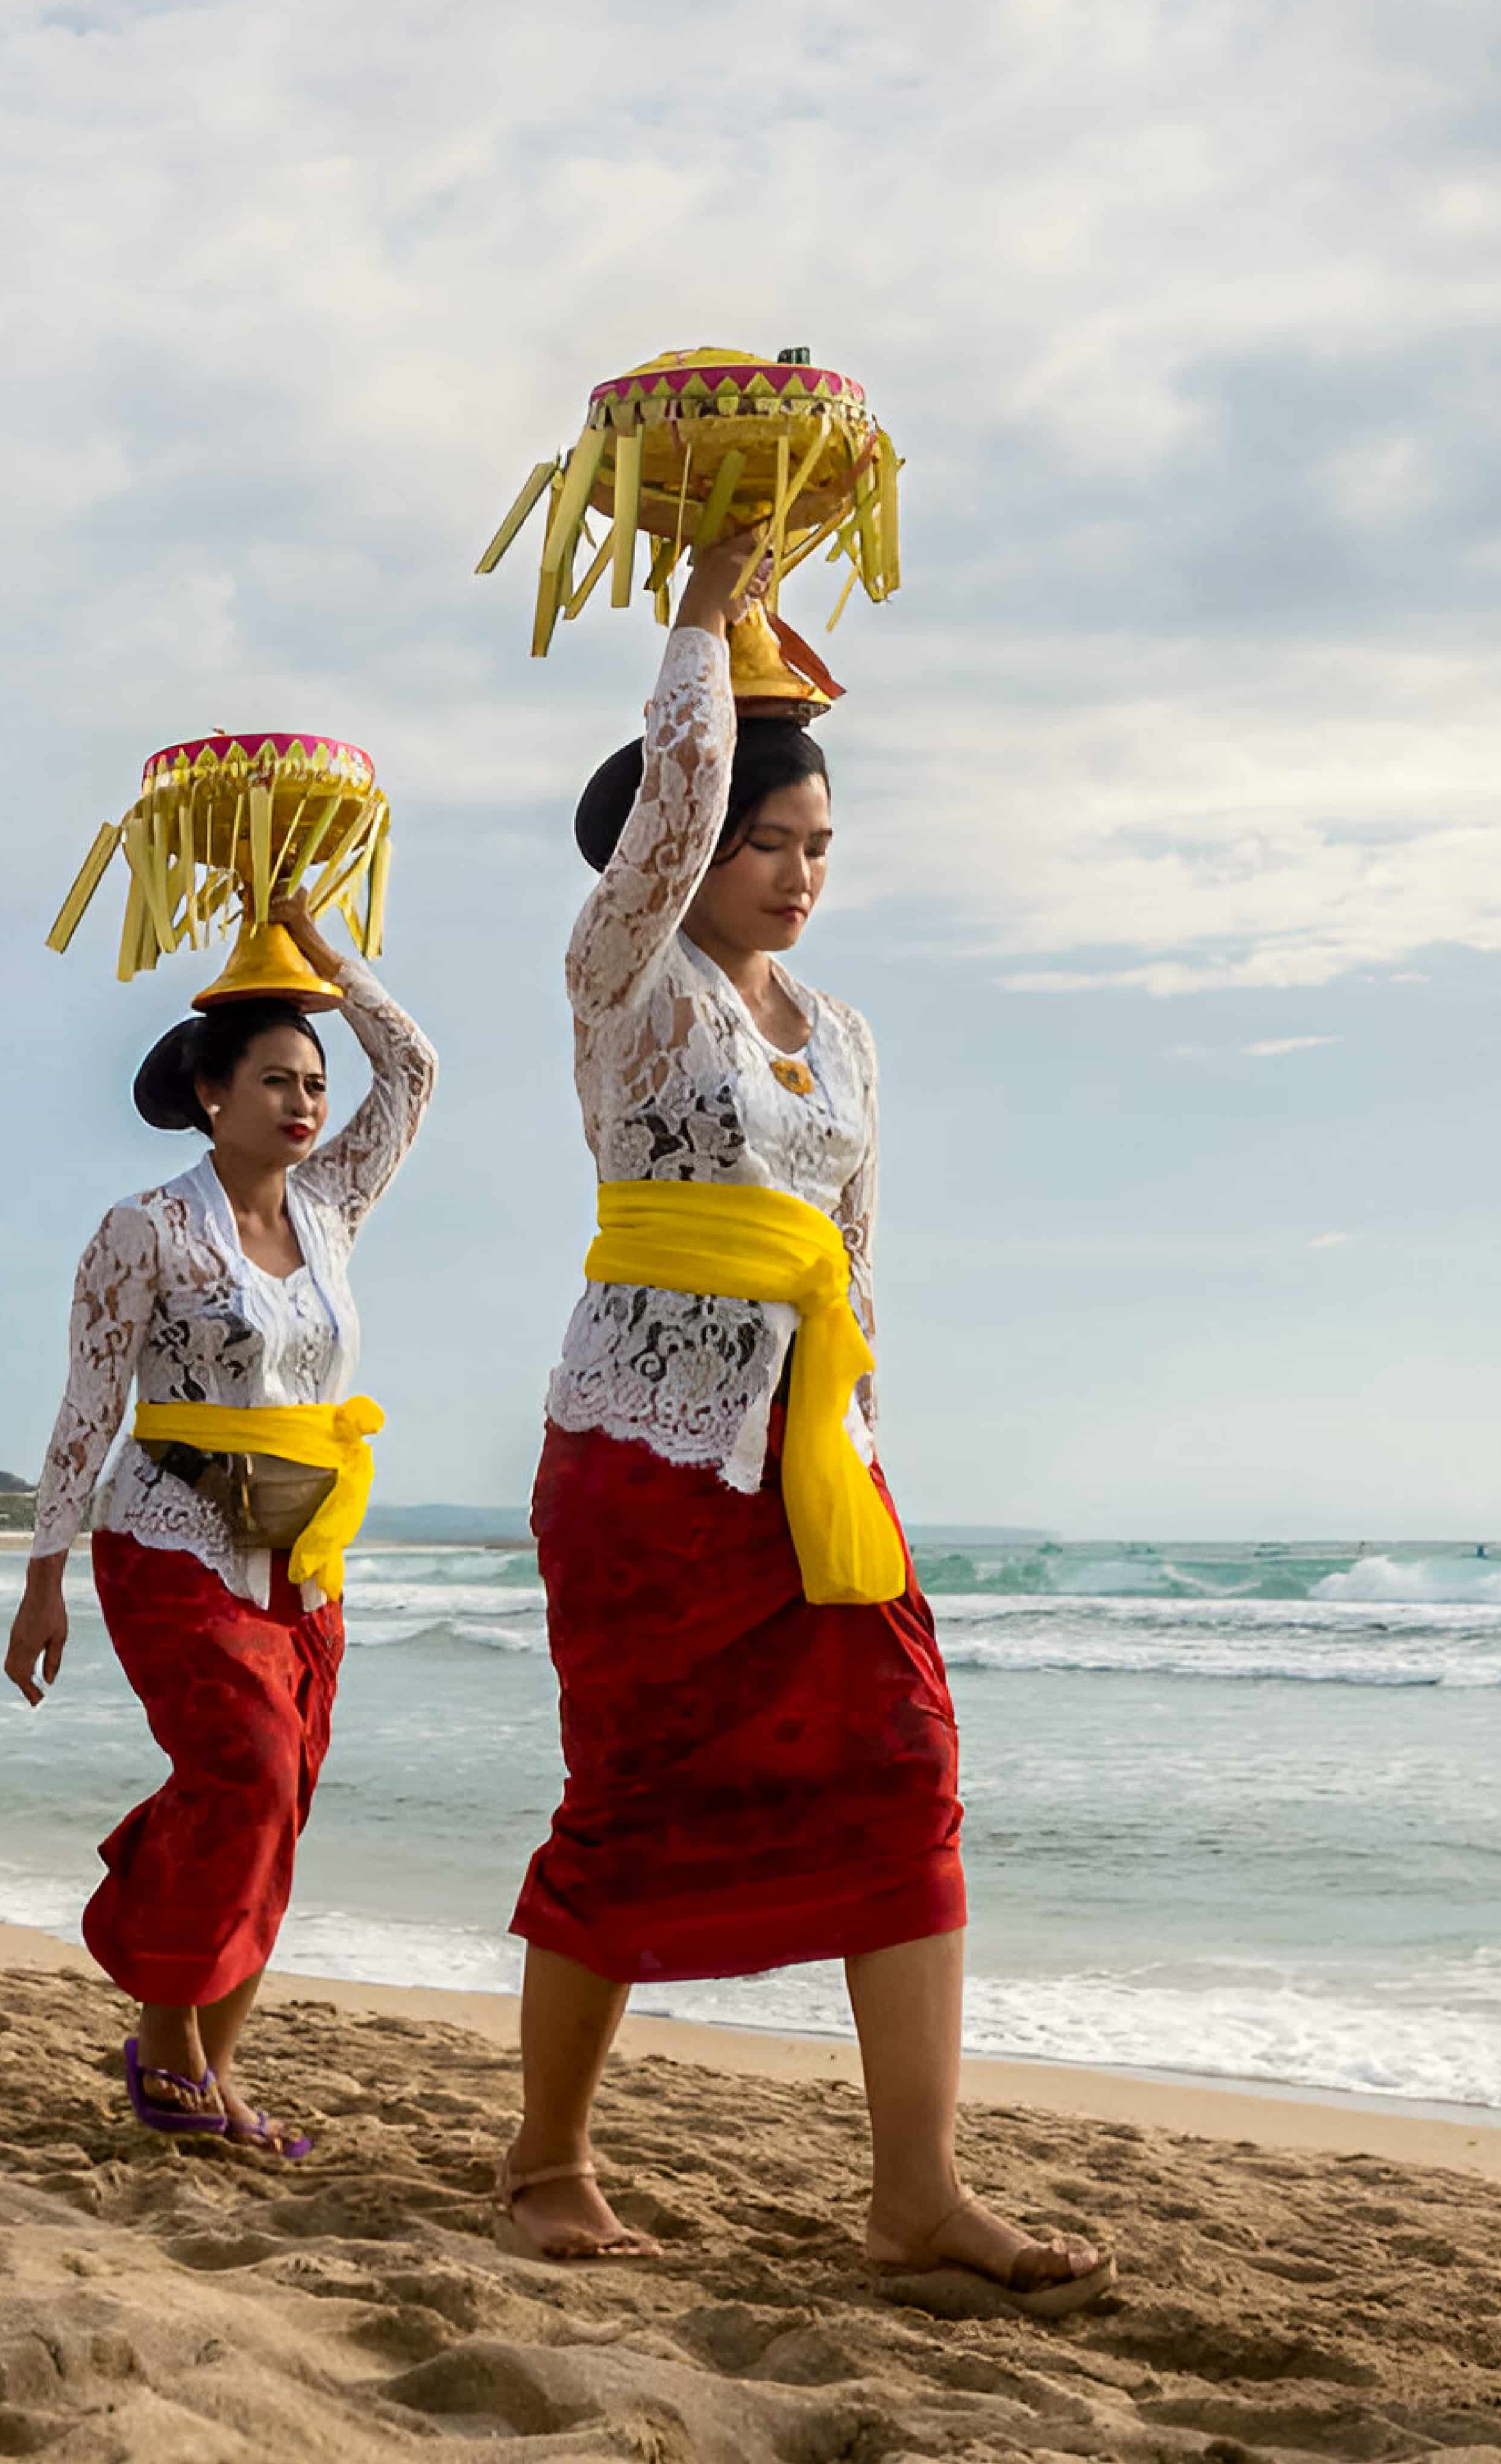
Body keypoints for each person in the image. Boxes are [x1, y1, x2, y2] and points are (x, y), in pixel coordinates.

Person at [489, 521, 1108, 2308]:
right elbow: (672, 806)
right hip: (634, 1451)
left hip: (807, 1457)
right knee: (627, 1791)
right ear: (681, 846)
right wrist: (700, 615)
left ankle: (915, 2191)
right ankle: (545, 2159)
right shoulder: (624, 982)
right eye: (766, 837)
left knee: (907, 1766)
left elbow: (855, 1244)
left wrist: (851, 1441)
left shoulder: (839, 1034)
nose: (795, 870)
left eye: (819, 844)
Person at [5, 893, 434, 2158]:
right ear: (209, 1094)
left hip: (302, 1553)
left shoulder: (334, 1207)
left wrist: (313, 941)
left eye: (313, 1083)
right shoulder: (142, 1230)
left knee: (278, 1800)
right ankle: (168, 2039)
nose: (307, 1105)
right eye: (277, 1082)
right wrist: (44, 1578)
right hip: (168, 1539)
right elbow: (87, 1408)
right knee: (244, 1771)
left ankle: (214, 2067)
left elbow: (409, 1066)